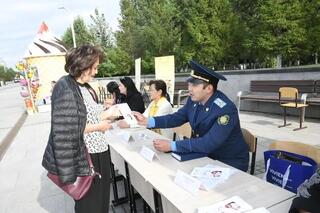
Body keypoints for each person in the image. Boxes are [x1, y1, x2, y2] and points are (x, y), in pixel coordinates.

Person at [133, 60, 249, 171]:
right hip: (205, 154)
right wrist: (148, 121)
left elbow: (209, 143)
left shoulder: (225, 110)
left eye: (194, 86)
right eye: (189, 85)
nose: (189, 90)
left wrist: (173, 145)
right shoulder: (194, 100)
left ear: (208, 88)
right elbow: (176, 118)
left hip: (228, 161)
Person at [42, 44, 112, 213]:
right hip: (85, 156)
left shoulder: (84, 86)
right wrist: (99, 126)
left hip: (99, 151)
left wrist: (104, 110)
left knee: (101, 202)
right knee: (89, 204)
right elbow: (66, 128)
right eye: (94, 68)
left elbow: (85, 114)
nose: (96, 72)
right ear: (83, 65)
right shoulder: (65, 86)